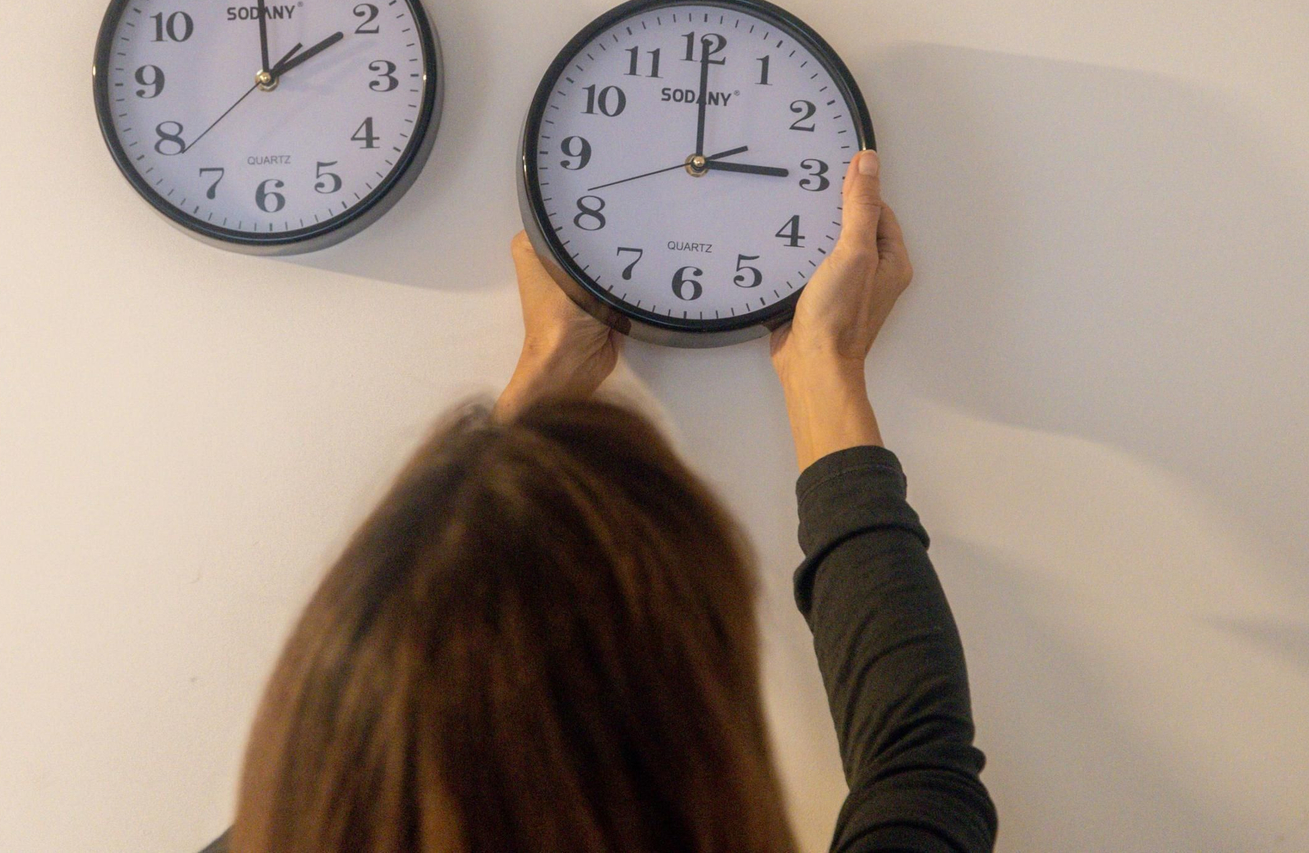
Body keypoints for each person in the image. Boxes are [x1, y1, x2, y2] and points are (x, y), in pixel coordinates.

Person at [222, 150, 997, 853]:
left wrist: (537, 391)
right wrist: (824, 367)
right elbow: (921, 771)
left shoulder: (297, 816)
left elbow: (335, 786)